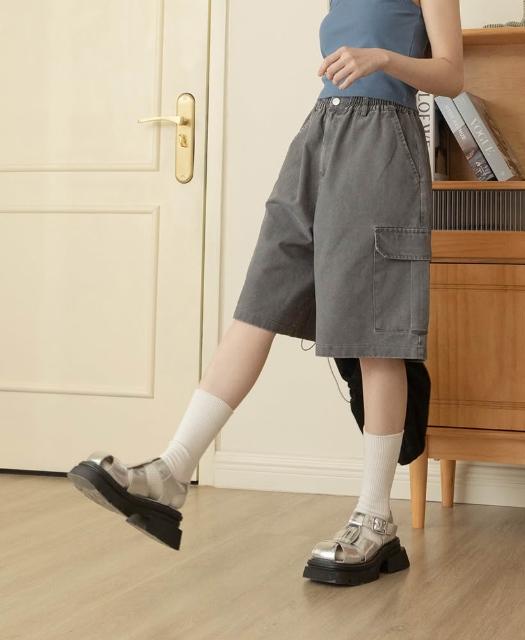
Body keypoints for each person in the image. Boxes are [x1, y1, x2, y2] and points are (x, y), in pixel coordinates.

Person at [67, 0, 463, 586]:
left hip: (383, 141)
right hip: (320, 134)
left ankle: (376, 517)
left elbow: (452, 74)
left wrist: (382, 58)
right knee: (259, 302)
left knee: (373, 332)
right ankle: (172, 472)